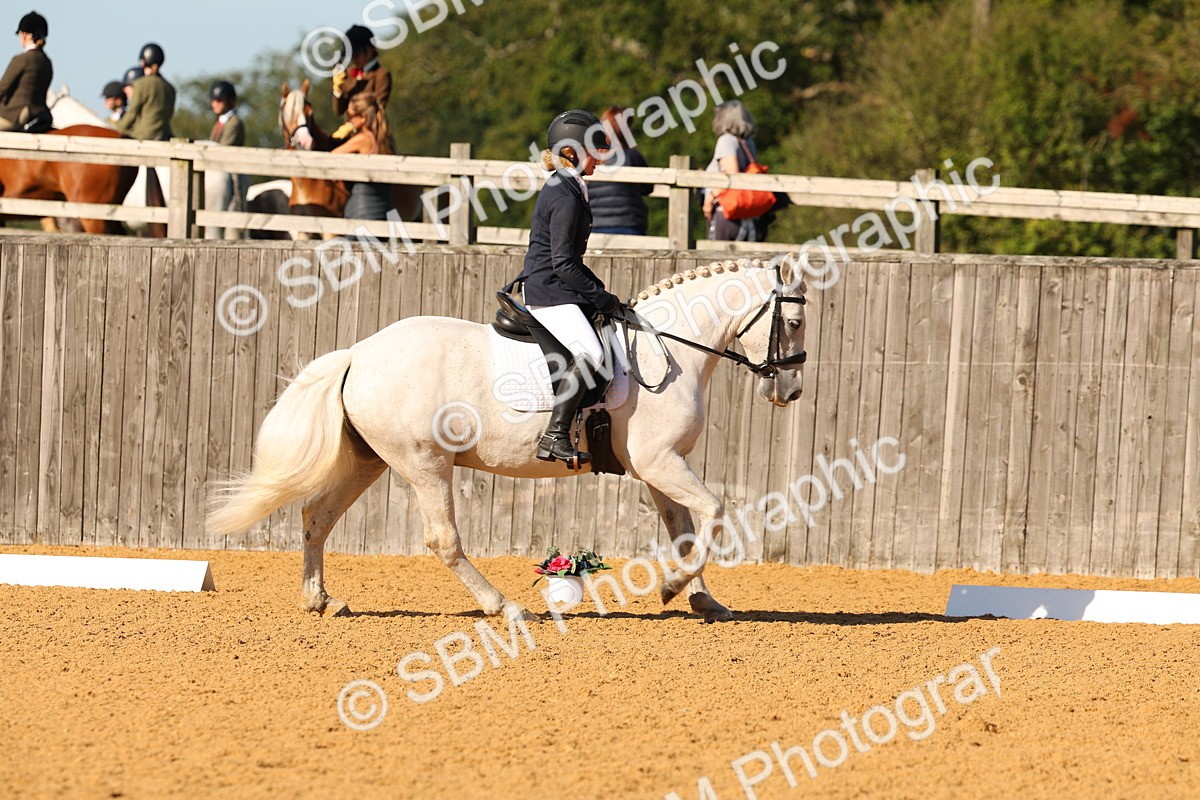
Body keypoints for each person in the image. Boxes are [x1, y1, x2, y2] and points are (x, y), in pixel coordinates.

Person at [503, 109, 624, 466]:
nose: (599, 159)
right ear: (572, 151)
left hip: (558, 288)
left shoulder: (570, 186)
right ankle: (555, 435)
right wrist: (601, 296)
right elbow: (564, 264)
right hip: (550, 292)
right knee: (591, 353)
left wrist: (600, 294)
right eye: (593, 151)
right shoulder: (565, 195)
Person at [702, 99, 775, 242]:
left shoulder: (727, 140)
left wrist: (710, 198)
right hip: (748, 216)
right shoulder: (748, 143)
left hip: (727, 213)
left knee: (716, 261)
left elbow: (731, 175)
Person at [588, 106, 652, 236]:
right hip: (629, 225)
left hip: (593, 227)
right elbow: (648, 187)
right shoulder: (632, 157)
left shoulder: (593, 159)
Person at [332, 92, 394, 220]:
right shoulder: (385, 140)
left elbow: (331, 157)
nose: (348, 120)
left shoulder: (363, 139)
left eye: (350, 115)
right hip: (384, 207)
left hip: (361, 207)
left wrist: (336, 137)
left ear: (362, 118)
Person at [331, 24, 390, 140]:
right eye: (351, 55)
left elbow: (377, 108)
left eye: (356, 54)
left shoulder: (381, 74)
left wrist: (352, 125)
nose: (353, 59)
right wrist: (337, 90)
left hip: (371, 134)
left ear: (369, 50)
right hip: (348, 134)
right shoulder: (347, 74)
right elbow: (339, 110)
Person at [0, 11, 51, 133]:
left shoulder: (22, 59)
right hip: (41, 113)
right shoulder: (47, 61)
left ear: (24, 35)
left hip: (17, 114)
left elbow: (2, 88)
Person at [115, 42, 175, 141]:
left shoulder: (141, 84)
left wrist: (117, 129)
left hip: (143, 136)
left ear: (142, 62)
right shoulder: (170, 88)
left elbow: (132, 113)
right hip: (165, 136)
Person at [208, 80, 243, 146]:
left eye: (219, 100)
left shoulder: (234, 123)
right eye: (213, 100)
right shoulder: (220, 122)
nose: (215, 104)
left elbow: (224, 147)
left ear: (230, 100)